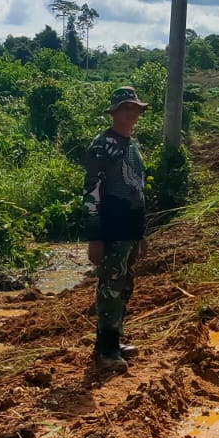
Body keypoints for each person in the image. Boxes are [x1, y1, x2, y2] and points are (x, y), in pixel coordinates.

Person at [85, 87, 150, 372]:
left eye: (134, 108)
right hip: (111, 229)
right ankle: (106, 350)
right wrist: (95, 236)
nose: (131, 112)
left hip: (131, 230)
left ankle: (112, 341)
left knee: (124, 287)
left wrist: (142, 234)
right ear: (114, 112)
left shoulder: (132, 146)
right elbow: (91, 193)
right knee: (109, 289)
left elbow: (139, 191)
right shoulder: (102, 146)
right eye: (126, 108)